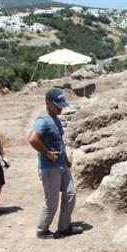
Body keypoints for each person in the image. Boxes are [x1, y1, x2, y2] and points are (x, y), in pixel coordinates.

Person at [28, 88, 83, 239]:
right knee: (52, 201)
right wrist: (47, 153)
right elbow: (32, 139)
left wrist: (65, 159)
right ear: (47, 103)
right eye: (58, 105)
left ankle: (64, 227)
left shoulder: (56, 119)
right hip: (50, 167)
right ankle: (42, 230)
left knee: (70, 194)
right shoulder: (42, 120)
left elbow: (60, 142)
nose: (61, 108)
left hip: (61, 165)